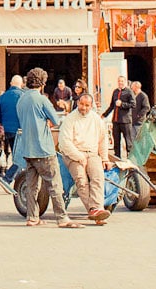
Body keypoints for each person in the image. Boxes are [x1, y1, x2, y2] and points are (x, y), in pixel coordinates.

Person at [16, 67, 81, 229]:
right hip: (43, 148)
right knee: (54, 184)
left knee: (32, 186)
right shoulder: (42, 99)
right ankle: (62, 217)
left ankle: (32, 217)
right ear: (43, 83)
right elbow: (56, 119)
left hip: (27, 149)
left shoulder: (21, 99)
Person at [58, 93, 112, 225]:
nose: (84, 107)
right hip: (73, 154)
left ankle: (97, 209)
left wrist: (104, 158)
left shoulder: (96, 119)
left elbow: (102, 139)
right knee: (81, 180)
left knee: (98, 176)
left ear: (91, 106)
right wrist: (78, 156)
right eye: (82, 104)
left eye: (87, 105)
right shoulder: (70, 119)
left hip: (92, 153)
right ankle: (94, 211)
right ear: (78, 103)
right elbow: (65, 142)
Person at [0, 75, 25, 180]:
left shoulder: (2, 97)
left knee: (16, 155)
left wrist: (4, 123)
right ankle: (8, 178)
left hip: (8, 130)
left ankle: (16, 177)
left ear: (11, 83)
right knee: (20, 157)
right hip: (21, 130)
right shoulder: (23, 95)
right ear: (21, 84)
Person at [102, 75, 135, 158]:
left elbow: (133, 104)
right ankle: (117, 157)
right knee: (116, 141)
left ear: (125, 82)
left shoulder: (129, 91)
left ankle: (130, 158)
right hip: (116, 120)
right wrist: (104, 115)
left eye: (122, 81)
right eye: (119, 81)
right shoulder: (115, 92)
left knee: (128, 141)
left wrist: (122, 104)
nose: (120, 82)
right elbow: (112, 105)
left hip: (125, 120)